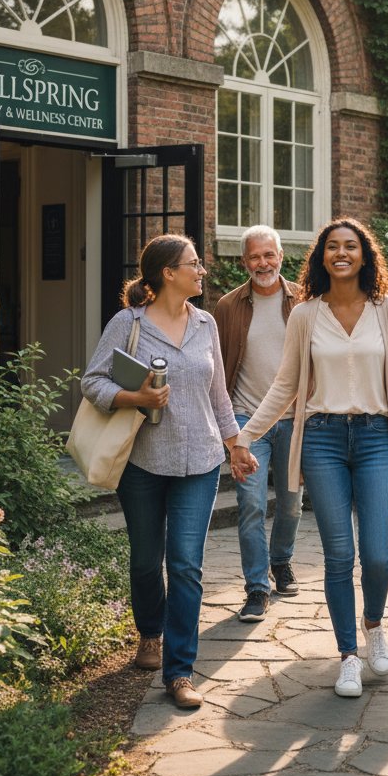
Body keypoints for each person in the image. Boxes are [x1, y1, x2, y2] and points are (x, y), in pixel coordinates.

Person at [231, 218, 388, 698]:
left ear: (365, 255)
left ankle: (375, 625)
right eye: (333, 247)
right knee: (339, 555)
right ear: (321, 256)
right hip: (320, 438)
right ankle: (346, 655)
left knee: (378, 556)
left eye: (351, 246)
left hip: (378, 437)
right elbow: (285, 384)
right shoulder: (305, 314)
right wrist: (244, 436)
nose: (342, 253)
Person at [79, 233, 256, 710]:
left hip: (199, 461)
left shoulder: (206, 324)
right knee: (144, 560)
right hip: (143, 462)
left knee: (185, 565)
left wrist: (235, 445)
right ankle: (149, 633)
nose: (202, 271)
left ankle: (179, 672)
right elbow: (92, 380)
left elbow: (220, 396)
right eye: (194, 265)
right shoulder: (127, 323)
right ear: (167, 273)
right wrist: (136, 398)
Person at [214, 224, 303, 623]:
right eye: (254, 256)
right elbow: (216, 372)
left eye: (269, 255)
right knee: (251, 505)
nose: (262, 263)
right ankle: (256, 587)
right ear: (244, 261)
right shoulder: (228, 307)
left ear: (280, 257)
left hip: (295, 418)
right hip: (248, 421)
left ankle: (280, 561)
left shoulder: (304, 301)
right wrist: (228, 431)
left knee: (291, 504)